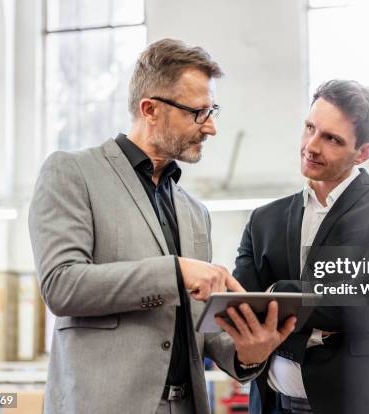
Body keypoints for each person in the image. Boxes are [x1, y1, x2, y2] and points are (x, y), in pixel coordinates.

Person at [29, 38, 295, 414]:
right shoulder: (72, 172)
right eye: (198, 113)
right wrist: (176, 272)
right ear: (150, 109)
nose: (211, 127)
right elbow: (62, 285)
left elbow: (199, 324)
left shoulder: (194, 211)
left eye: (212, 110)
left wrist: (246, 353)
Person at [232, 80, 369, 413]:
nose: (312, 146)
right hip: (274, 405)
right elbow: (244, 310)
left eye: (331, 139)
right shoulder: (263, 220)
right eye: (310, 128)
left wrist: (278, 292)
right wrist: (337, 300)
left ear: (362, 153)